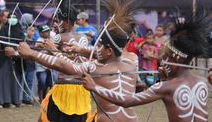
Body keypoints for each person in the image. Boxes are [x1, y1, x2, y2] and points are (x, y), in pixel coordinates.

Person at [17, 0, 140, 122]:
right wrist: (80, 49)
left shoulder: (96, 66)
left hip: (75, 95)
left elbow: (66, 66)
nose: (96, 48)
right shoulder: (131, 61)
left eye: (99, 45)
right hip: (89, 95)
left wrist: (30, 53)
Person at [82, 15, 212, 122]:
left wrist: (95, 87)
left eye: (166, 57)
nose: (162, 62)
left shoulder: (166, 87)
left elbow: (127, 101)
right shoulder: (203, 82)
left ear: (177, 59)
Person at [0, 10, 23, 108]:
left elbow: (22, 42)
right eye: (11, 17)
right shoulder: (4, 28)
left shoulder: (19, 30)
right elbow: (2, 42)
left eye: (15, 18)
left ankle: (12, 101)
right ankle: (1, 101)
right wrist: (8, 48)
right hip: (3, 58)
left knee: (13, 79)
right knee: (2, 79)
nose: (13, 20)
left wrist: (15, 50)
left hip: (15, 59)